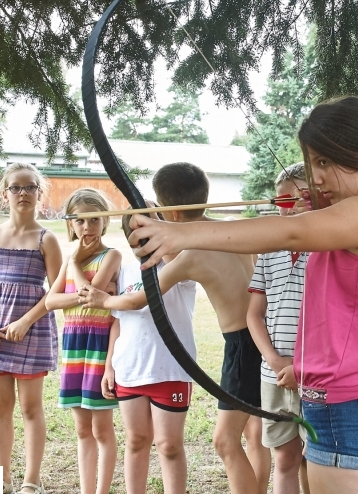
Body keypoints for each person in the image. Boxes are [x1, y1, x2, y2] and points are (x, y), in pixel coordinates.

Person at [126, 96, 358, 494]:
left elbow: (290, 231)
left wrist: (178, 232)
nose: (317, 178)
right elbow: (301, 227)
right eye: (313, 164)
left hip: (350, 404)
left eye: (324, 162)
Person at [78, 163, 270, 494]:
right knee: (247, 435)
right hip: (260, 336)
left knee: (226, 442)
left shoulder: (192, 254)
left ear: (174, 215)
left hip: (243, 343)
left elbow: (139, 300)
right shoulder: (233, 229)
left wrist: (101, 299)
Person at [0, 163, 62, 494]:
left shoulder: (47, 239)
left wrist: (25, 321)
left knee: (32, 408)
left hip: (31, 331)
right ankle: (0, 479)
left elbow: (57, 292)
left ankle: (31, 480)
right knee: (1, 406)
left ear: (39, 193)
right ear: (4, 194)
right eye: (15, 188)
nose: (23, 193)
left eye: (30, 187)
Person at [96, 204, 196, 494]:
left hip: (170, 370)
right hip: (130, 369)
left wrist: (159, 228)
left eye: (151, 225)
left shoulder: (178, 266)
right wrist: (109, 366)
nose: (143, 234)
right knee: (137, 440)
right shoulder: (126, 272)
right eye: (135, 228)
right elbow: (119, 322)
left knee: (169, 445)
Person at [45, 189, 121, 494]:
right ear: (70, 224)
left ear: (104, 221)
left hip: (99, 345)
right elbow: (51, 301)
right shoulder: (69, 259)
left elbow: (92, 296)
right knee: (82, 429)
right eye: (79, 221)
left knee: (102, 429)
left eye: (93, 220)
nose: (86, 227)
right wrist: (78, 288)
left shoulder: (110, 255)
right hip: (74, 347)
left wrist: (75, 262)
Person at [245, 162, 311, 494]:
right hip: (273, 374)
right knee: (284, 459)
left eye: (295, 199)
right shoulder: (269, 252)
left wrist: (303, 366)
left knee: (316, 460)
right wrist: (273, 360)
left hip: (315, 373)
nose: (286, 208)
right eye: (280, 201)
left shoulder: (331, 248)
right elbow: (254, 314)